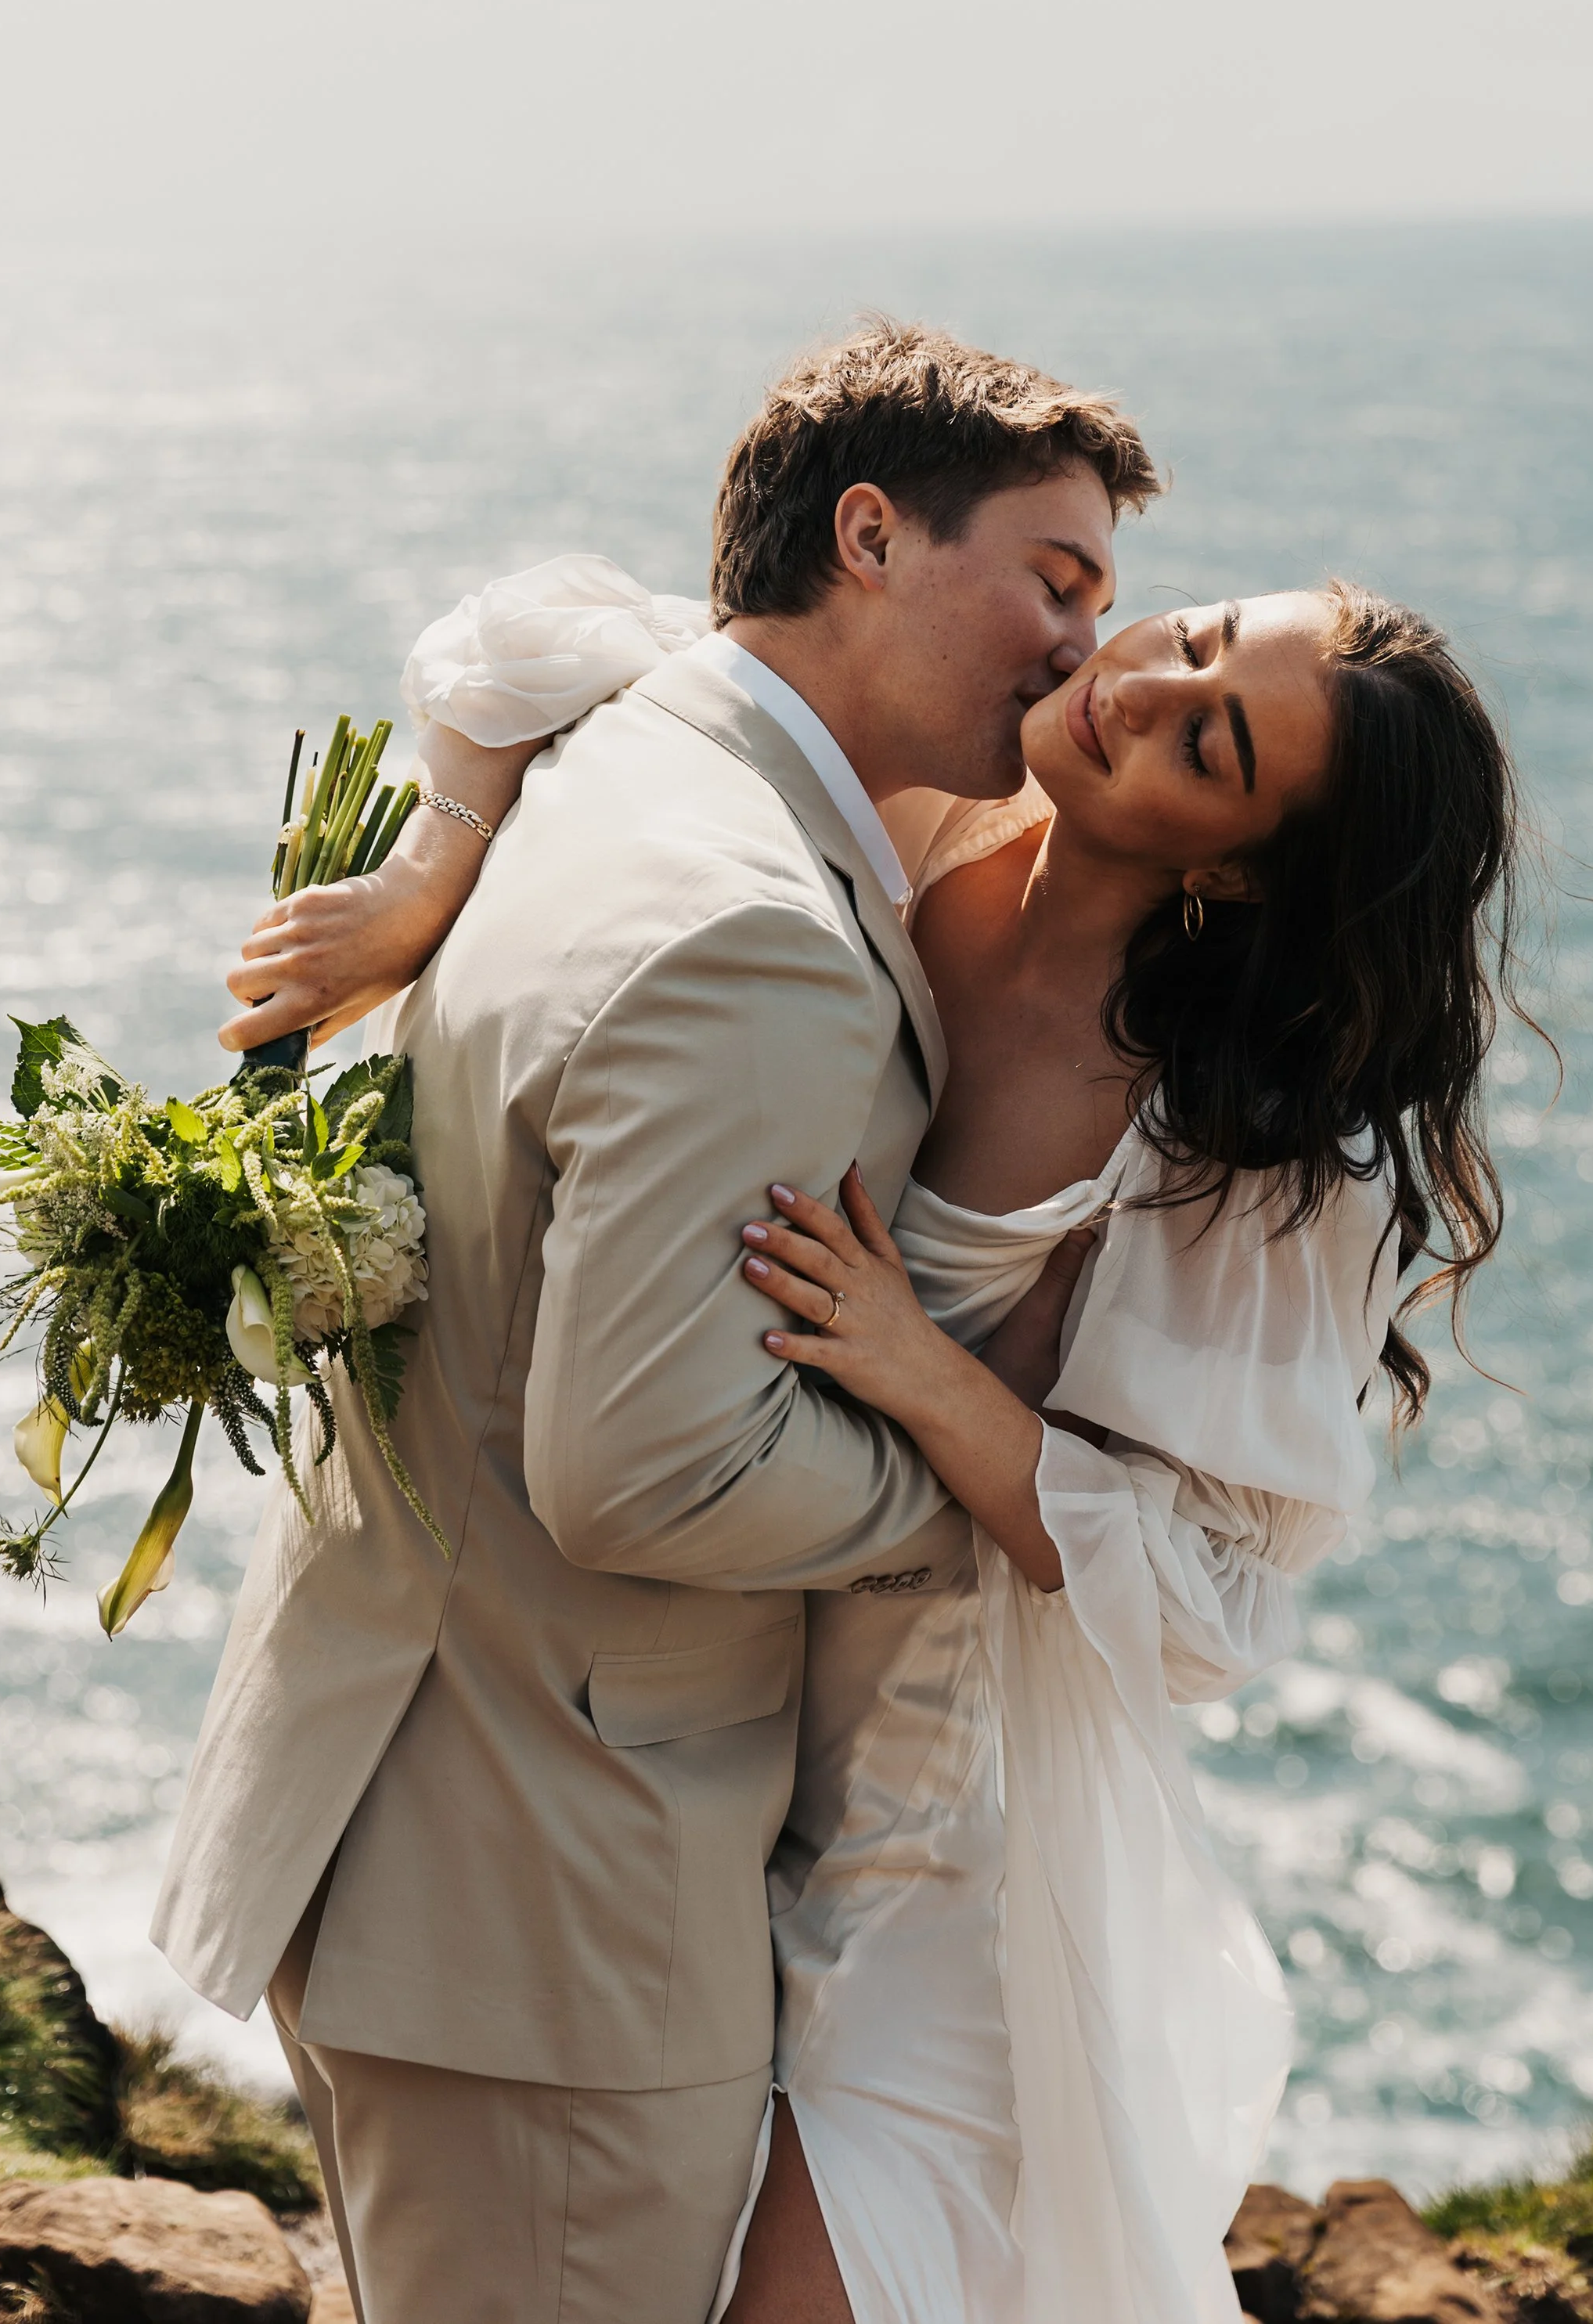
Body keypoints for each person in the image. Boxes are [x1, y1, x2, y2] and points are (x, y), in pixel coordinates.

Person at [225, 474, 1530, 2317]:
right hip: (690, 1763)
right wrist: (426, 889)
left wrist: (922, 1374)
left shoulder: (1232, 1151)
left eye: (1207, 744)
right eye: (1192, 635)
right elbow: (549, 643)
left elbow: (1208, 1605)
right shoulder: (907, 815)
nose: (1138, 686)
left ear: (1231, 865)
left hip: (938, 1843)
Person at [151, 321, 1160, 2324]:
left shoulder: (631, 746)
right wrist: (981, 1499)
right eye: (1054, 580)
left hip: (421, 1813)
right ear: (866, 534)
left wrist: (435, 852)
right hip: (549, 1913)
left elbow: (513, 651)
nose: (1081, 649)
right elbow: (646, 1477)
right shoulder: (757, 937)